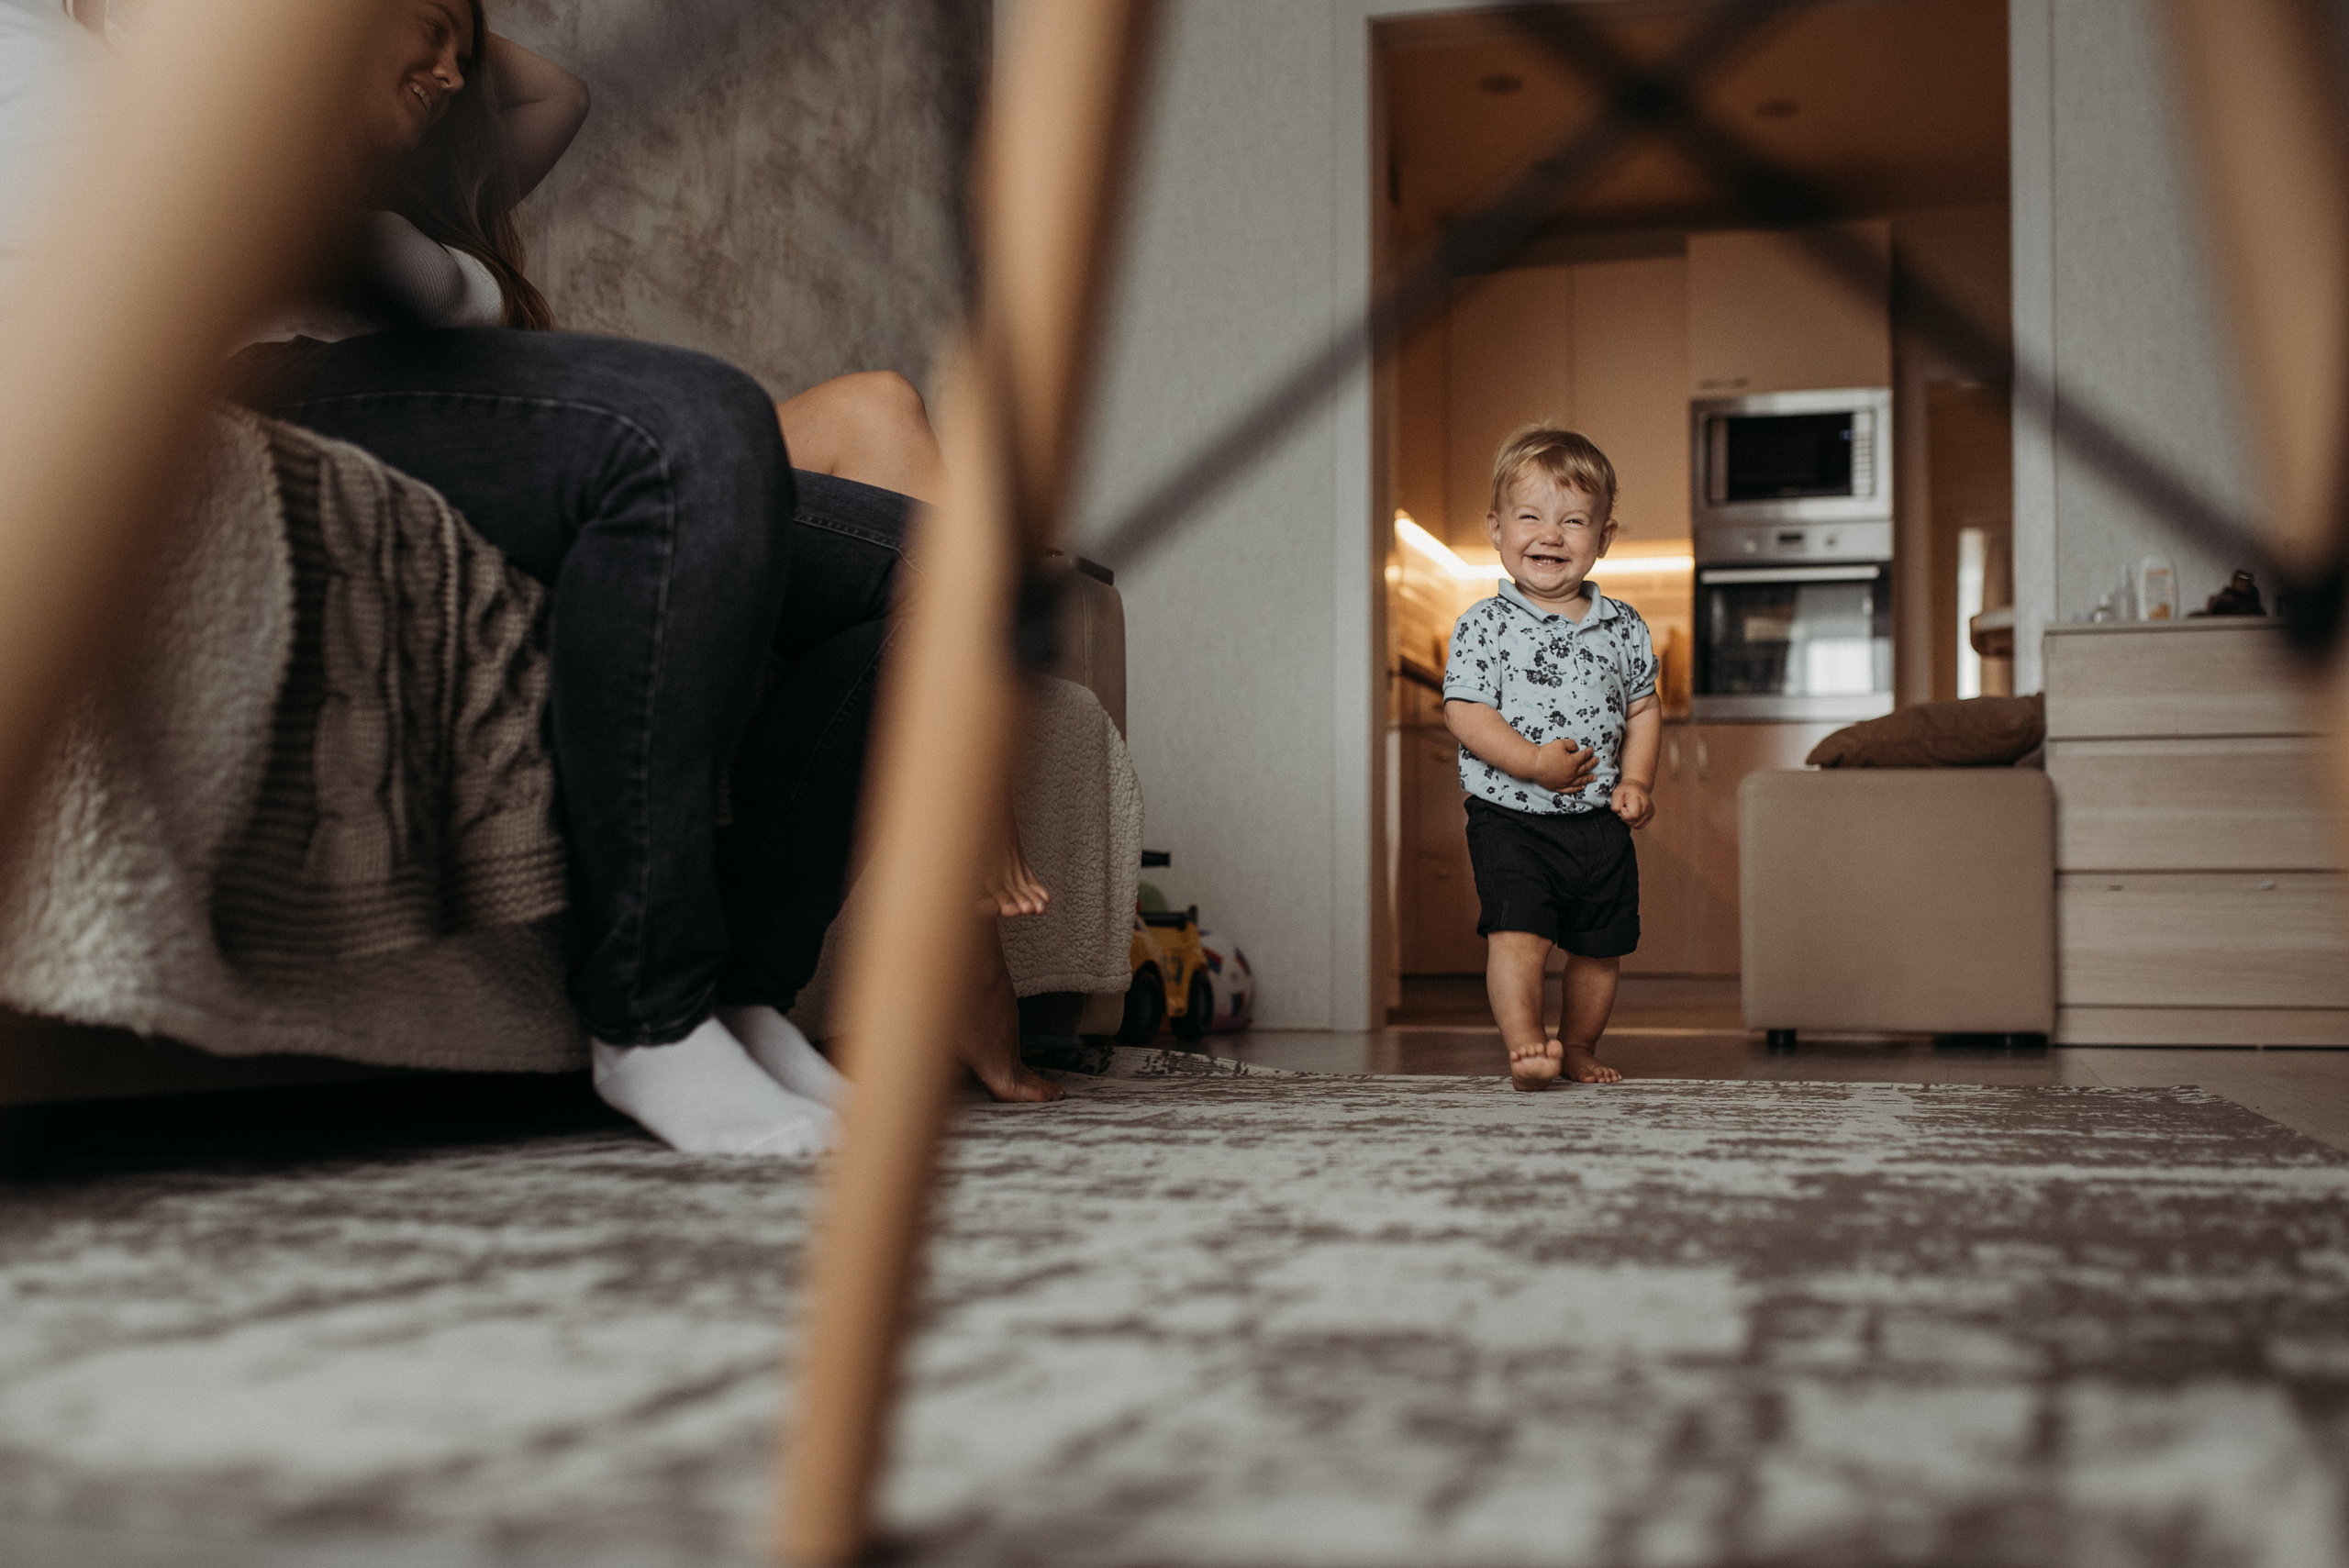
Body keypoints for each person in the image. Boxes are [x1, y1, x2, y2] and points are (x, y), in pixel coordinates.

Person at [5, 0, 1064, 1147]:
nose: (456, 69)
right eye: (429, 24)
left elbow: (549, 97)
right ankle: (648, 1017)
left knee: (956, 581)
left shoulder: (370, 182)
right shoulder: (91, 66)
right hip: (267, 387)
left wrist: (420, 36)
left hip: (456, 420)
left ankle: (740, 992)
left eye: (468, 39)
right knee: (689, 425)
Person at [1442, 427, 1660, 1091]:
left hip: (1598, 823)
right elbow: (1466, 711)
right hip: (1512, 815)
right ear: (1497, 527)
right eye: (1530, 516)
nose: (1551, 534)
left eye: (1573, 520)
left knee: (1600, 947)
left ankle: (1581, 1044)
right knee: (1519, 933)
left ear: (1604, 537)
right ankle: (1527, 1045)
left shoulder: (1625, 625)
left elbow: (1644, 710)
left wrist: (1638, 781)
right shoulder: (1484, 624)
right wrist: (1533, 763)